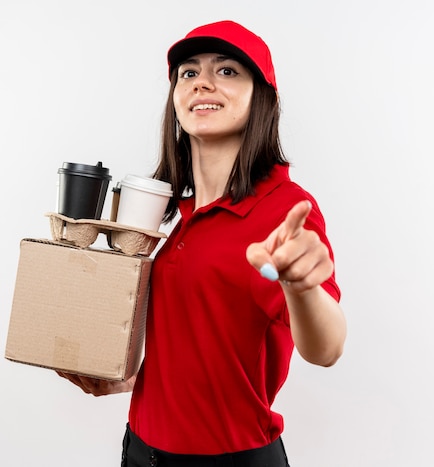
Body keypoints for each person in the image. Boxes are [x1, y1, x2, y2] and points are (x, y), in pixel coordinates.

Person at [58, 20, 347, 466]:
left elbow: (326, 349)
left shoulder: (282, 211)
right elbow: (199, 343)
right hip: (141, 450)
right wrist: (131, 377)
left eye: (228, 71)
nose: (203, 82)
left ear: (262, 99)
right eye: (188, 73)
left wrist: (301, 285)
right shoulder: (170, 213)